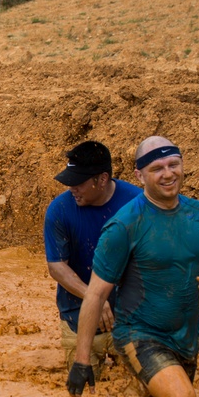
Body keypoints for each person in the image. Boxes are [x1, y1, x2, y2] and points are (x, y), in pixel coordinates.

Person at [68, 136, 199, 397]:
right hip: (140, 334)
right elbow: (95, 294)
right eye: (157, 168)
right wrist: (81, 361)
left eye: (173, 164)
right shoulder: (125, 224)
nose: (168, 173)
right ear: (139, 175)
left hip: (187, 336)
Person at [44, 141, 141, 382]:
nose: (72, 189)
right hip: (77, 318)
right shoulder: (59, 210)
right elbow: (57, 266)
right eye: (69, 183)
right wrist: (93, 298)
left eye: (78, 183)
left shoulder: (138, 205)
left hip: (132, 321)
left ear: (102, 179)